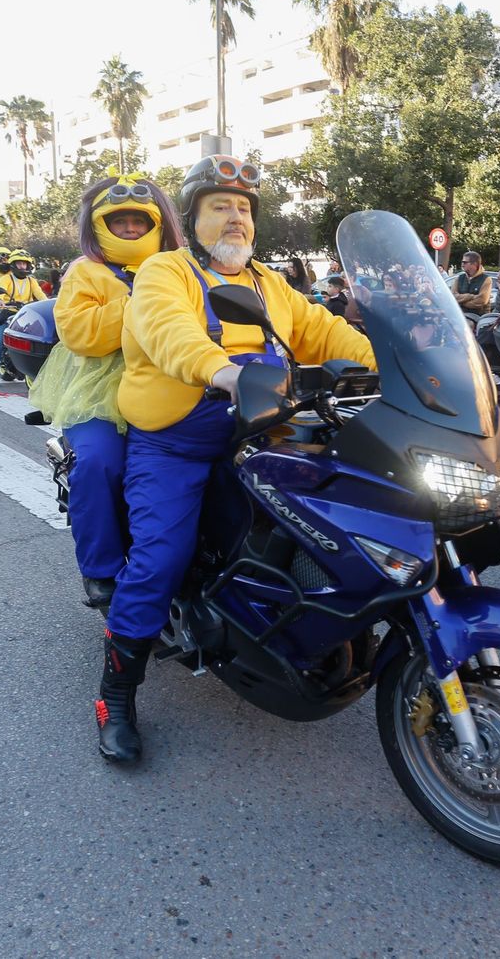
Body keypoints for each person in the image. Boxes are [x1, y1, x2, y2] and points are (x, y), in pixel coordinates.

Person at [94, 154, 375, 764]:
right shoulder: (163, 273)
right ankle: (115, 693)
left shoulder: (270, 284)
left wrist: (403, 355)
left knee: (354, 511)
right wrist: (222, 372)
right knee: (160, 558)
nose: (236, 219)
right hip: (179, 438)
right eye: (220, 207)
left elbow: (326, 332)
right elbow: (171, 335)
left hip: (268, 429)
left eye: (244, 209)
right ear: (191, 220)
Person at [31, 173, 185, 609]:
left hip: (174, 379)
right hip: (103, 390)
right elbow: (81, 334)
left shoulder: (182, 265)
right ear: (100, 225)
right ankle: (100, 568)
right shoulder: (85, 271)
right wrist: (143, 302)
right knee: (99, 463)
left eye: (140, 219)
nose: (132, 228)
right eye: (121, 221)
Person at [0, 250, 47, 386]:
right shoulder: (6, 278)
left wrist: (49, 303)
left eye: (25, 264)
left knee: (35, 341)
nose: (22, 267)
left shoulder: (32, 281)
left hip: (25, 313)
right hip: (8, 312)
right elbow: (0, 291)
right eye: (19, 263)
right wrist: (0, 300)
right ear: (13, 265)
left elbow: (40, 295)